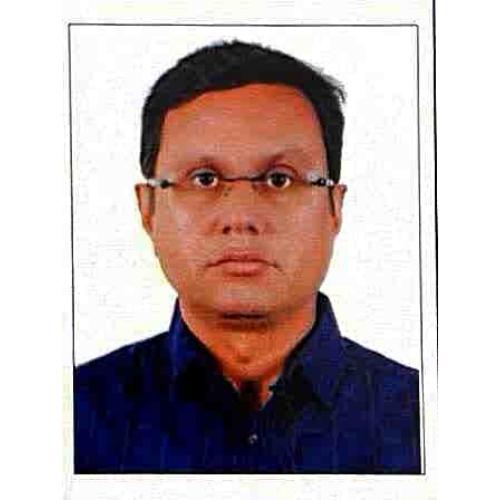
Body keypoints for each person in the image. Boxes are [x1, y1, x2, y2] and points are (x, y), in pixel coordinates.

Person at [74, 40, 421, 473]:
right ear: (148, 209)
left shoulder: (427, 420)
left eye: (279, 179)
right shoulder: (72, 418)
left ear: (334, 206)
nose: (240, 218)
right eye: (204, 179)